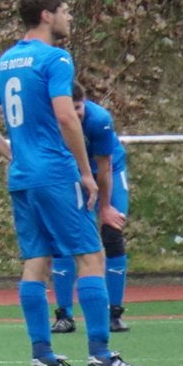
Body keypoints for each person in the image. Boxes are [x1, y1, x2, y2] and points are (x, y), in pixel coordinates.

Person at [0, 0, 147, 366]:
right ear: (47, 15)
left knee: (36, 261)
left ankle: (43, 358)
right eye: (65, 10)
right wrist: (85, 172)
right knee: (91, 256)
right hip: (55, 174)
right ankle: (101, 355)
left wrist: (10, 152)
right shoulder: (55, 58)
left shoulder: (7, 61)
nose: (69, 17)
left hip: (23, 178)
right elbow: (66, 116)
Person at [51, 82, 131, 334]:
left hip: (107, 171)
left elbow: (105, 167)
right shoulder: (51, 120)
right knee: (63, 238)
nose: (75, 114)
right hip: (71, 174)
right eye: (70, 108)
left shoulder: (98, 120)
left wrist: (105, 207)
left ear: (84, 103)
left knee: (112, 232)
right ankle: (64, 314)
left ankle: (114, 313)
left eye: (78, 108)